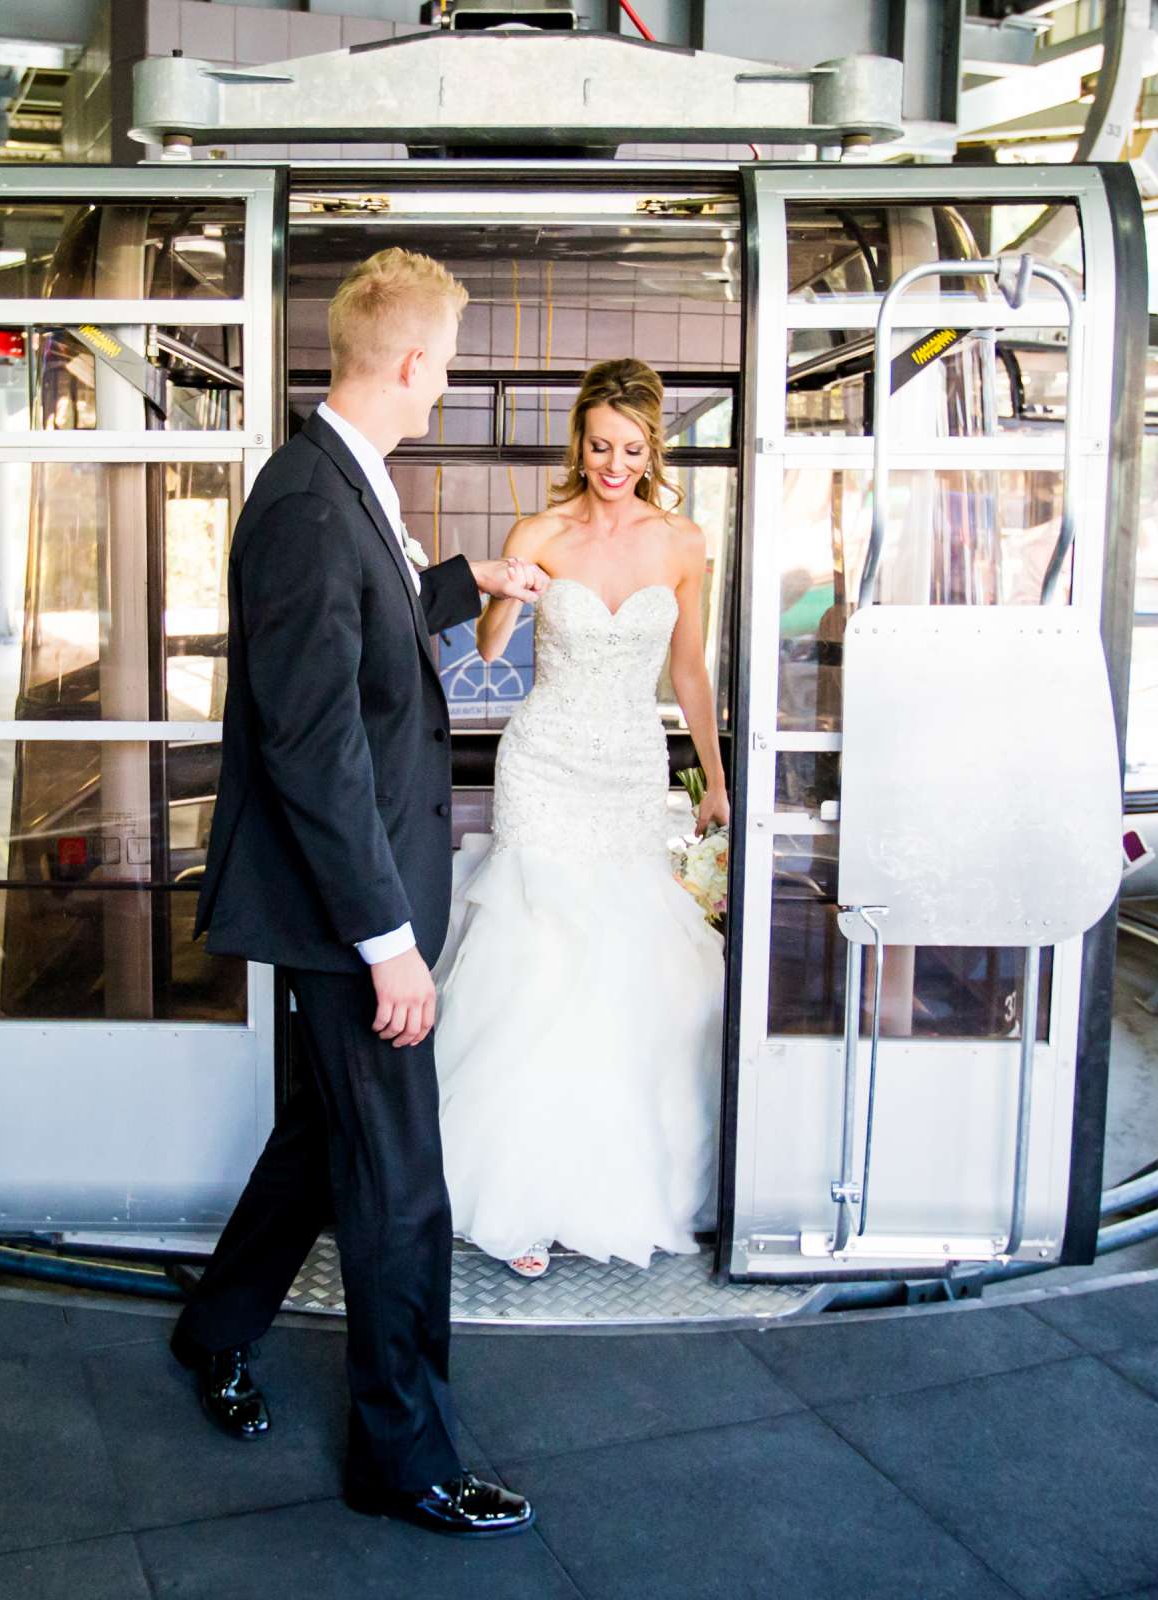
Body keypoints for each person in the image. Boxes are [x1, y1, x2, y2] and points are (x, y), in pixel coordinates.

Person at [175, 248, 548, 1539]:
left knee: (322, 1147)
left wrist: (465, 587)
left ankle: (215, 1325)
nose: (445, 384)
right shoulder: (307, 503)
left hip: (361, 899)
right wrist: (390, 943)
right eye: (443, 361)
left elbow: (365, 631)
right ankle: (408, 1461)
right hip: (354, 917)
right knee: (398, 1187)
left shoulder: (342, 483)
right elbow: (312, 741)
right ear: (406, 362)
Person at [433, 358, 730, 1279]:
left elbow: (688, 674)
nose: (613, 462)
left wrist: (712, 779)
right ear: (580, 441)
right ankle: (514, 1194)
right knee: (535, 960)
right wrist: (506, 597)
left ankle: (611, 1178)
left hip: (632, 767)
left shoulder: (683, 543)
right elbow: (488, 651)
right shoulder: (539, 529)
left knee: (626, 965)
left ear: (652, 449)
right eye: (599, 445)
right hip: (546, 762)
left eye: (631, 448)